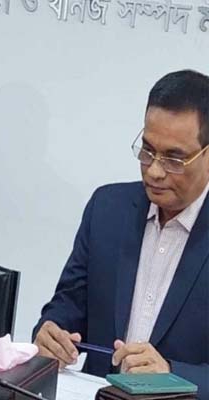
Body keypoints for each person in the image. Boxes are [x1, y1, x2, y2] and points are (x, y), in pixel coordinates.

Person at [33, 70, 209, 398]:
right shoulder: (107, 209)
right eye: (147, 151)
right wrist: (51, 332)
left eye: (174, 159)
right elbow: (69, 303)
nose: (154, 170)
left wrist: (171, 374)